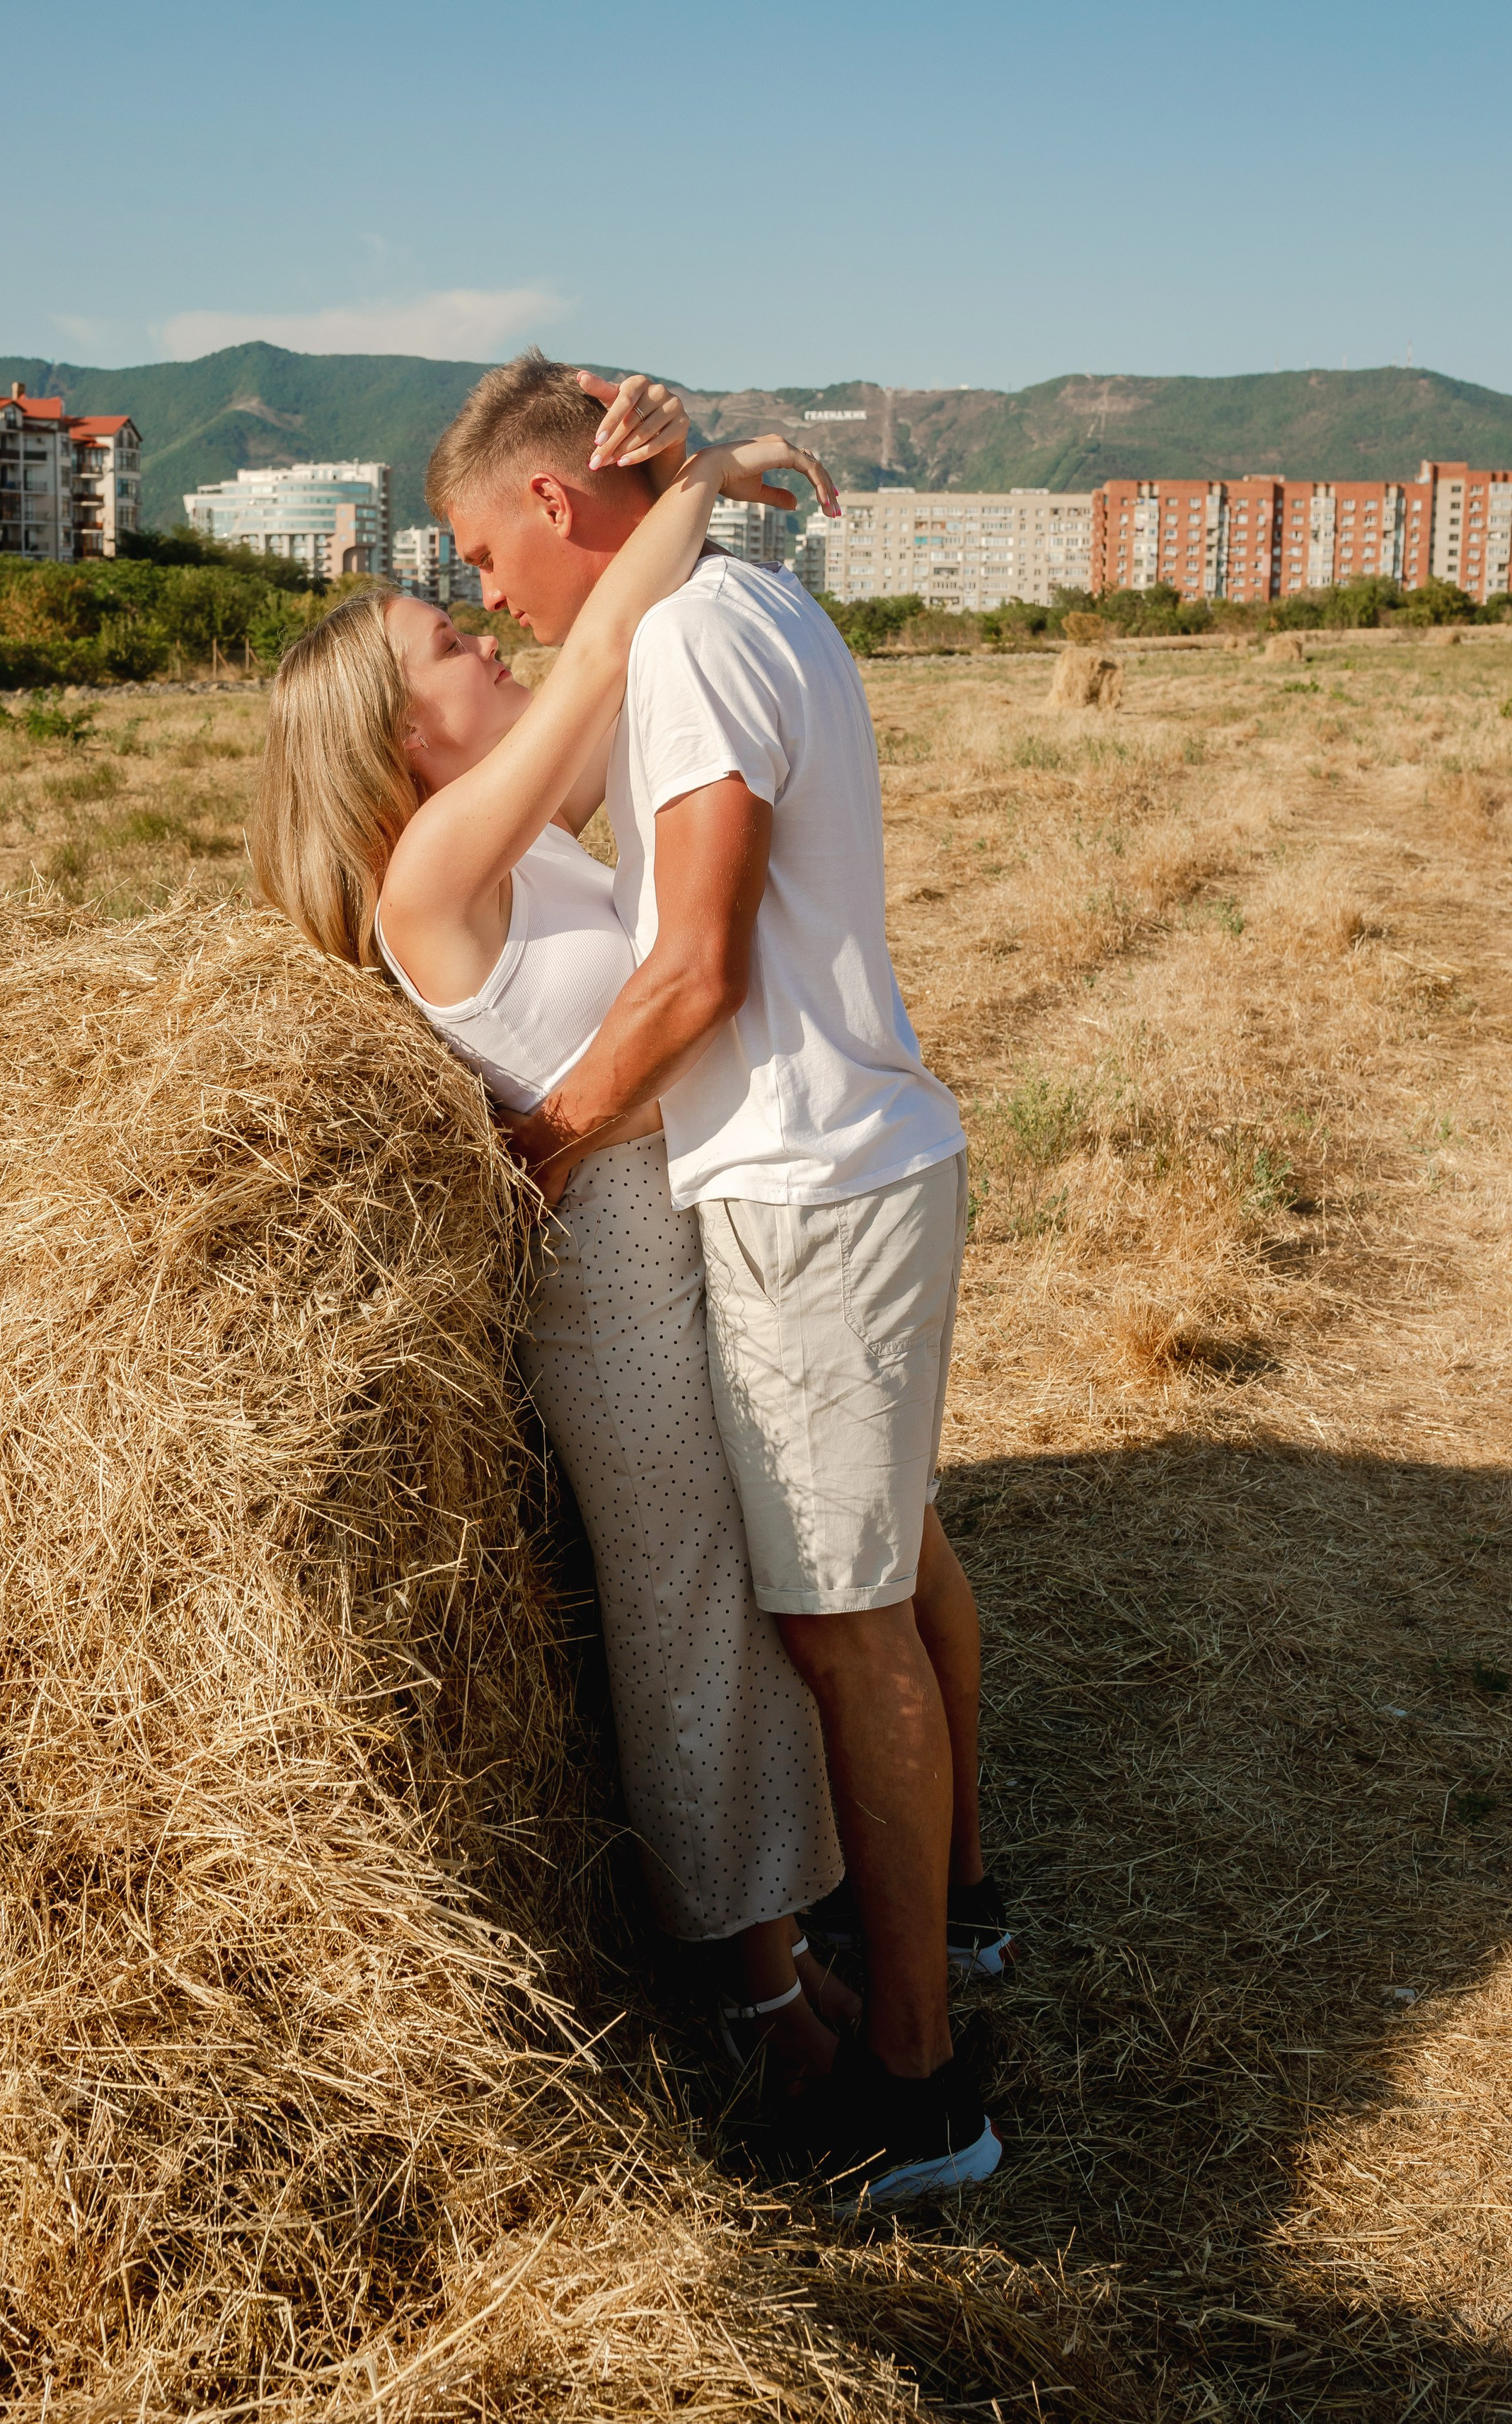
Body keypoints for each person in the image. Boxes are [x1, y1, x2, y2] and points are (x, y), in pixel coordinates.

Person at [428, 350, 1009, 2207]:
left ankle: (916, 2089)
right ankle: (956, 1928)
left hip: (810, 1187)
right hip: (861, 1165)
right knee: (894, 1588)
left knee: (845, 1636)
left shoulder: (682, 647)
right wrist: (728, 461)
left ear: (549, 501)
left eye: (477, 550)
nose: (486, 598)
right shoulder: (730, 606)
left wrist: (547, 1147)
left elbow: (690, 975)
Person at [250, 381, 862, 2092]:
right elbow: (600, 657)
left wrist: (647, 483)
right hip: (606, 1285)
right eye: (450, 639)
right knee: (682, 1618)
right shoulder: (433, 865)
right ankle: (749, 2000)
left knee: (733, 1605)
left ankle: (786, 1937)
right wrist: (724, 467)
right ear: (400, 733)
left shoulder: (512, 837)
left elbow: (631, 636)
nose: (485, 641)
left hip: (673, 1240)